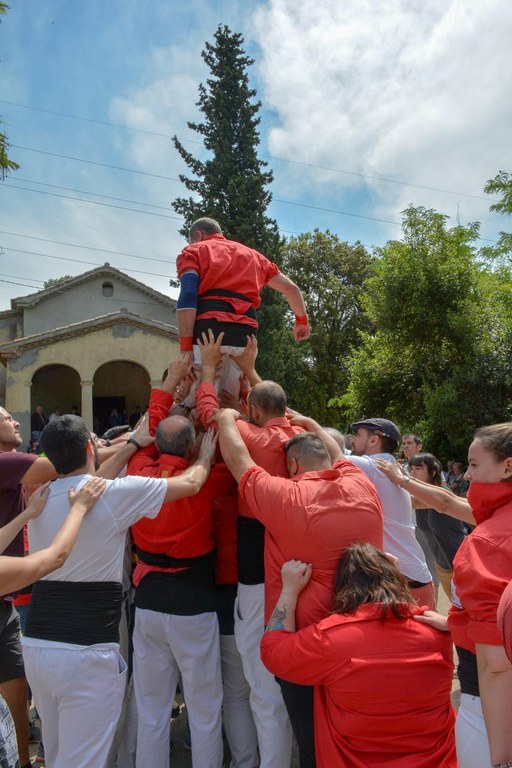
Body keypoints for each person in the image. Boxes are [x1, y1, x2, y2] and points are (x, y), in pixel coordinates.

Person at [22, 413, 218, 768]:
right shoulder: (113, 495)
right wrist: (204, 456)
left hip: (38, 645)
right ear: (89, 446)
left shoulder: (41, 497)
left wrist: (131, 445)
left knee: (59, 753)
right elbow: (191, 484)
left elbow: (88, 484)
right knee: (86, 760)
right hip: (86, 650)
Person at [213, 409, 384, 768]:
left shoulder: (285, 497)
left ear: (291, 466)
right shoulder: (360, 484)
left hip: (309, 645)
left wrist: (225, 417)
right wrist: (312, 423)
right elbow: (339, 456)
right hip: (366, 640)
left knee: (312, 745)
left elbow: (237, 459)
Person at [379, 423, 512, 768]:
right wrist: (457, 622)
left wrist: (500, 760)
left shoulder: (486, 543)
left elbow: (496, 665)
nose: (466, 474)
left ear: (507, 466)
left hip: (490, 710)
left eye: (473, 464)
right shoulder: (497, 518)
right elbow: (448, 503)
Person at [127, 358, 235, 768]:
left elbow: (149, 433)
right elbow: (233, 455)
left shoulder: (139, 473)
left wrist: (171, 384)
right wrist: (210, 400)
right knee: (205, 706)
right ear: (194, 446)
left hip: (149, 603)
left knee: (152, 707)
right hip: (194, 604)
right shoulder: (206, 479)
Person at [260, 546, 457, 768]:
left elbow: (272, 651)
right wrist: (456, 625)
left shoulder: (330, 639)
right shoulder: (437, 634)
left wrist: (289, 591)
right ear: (396, 577)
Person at [176, 216, 310, 396]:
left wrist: (185, 349)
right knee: (233, 399)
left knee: (199, 400)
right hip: (244, 338)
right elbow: (291, 288)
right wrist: (301, 320)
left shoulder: (193, 251)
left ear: (198, 235)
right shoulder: (254, 256)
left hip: (208, 333)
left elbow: (188, 296)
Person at [347, 418, 435, 608]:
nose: (353, 440)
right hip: (412, 579)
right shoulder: (389, 466)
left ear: (374, 440)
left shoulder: (374, 466)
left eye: (358, 435)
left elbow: (325, 452)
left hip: (406, 584)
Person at [408, 452, 466, 598]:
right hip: (442, 565)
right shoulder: (421, 494)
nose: (412, 473)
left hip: (459, 563)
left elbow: (413, 502)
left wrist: (400, 479)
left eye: (418, 468)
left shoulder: (442, 494)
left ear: (433, 472)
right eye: (411, 468)